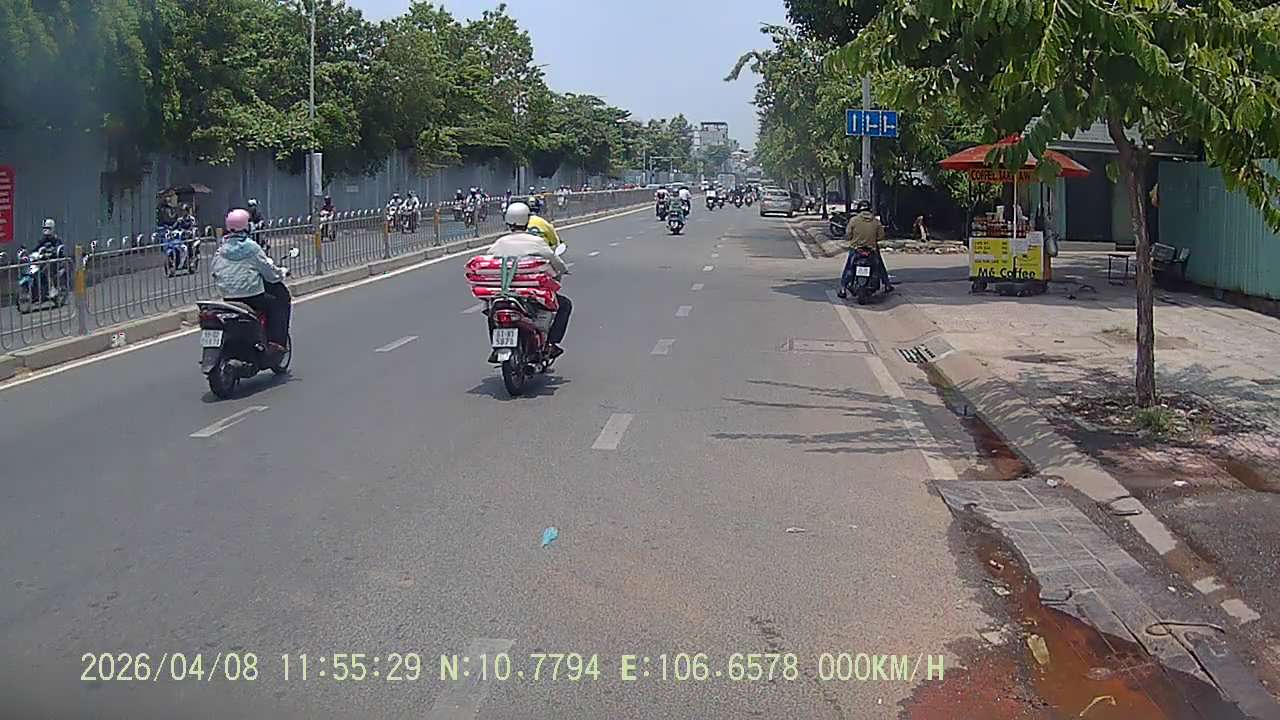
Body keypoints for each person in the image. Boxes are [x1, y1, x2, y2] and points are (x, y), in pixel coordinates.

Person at [488, 201, 570, 358]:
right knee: (565, 305)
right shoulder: (536, 242)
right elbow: (555, 261)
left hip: (504, 293)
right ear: (527, 220)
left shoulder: (499, 243)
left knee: (493, 312)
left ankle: (495, 347)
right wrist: (563, 270)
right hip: (530, 294)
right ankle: (551, 344)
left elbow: (490, 261)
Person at [210, 209, 291, 355]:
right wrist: (282, 272)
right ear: (247, 226)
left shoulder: (221, 250)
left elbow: (214, 271)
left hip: (228, 298)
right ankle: (276, 342)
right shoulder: (251, 247)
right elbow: (270, 274)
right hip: (252, 297)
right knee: (279, 300)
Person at [838, 199, 893, 298]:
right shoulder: (876, 221)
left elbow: (848, 235)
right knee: (879, 266)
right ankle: (887, 285)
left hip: (856, 249)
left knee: (849, 268)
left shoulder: (854, 220)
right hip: (871, 249)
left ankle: (843, 289)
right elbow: (881, 236)